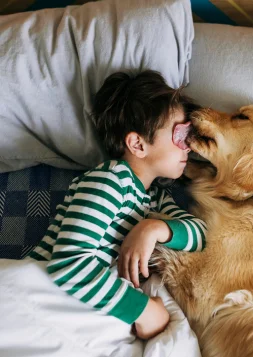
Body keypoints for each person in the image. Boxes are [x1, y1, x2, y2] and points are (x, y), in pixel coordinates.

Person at [28, 70, 207, 340]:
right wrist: (145, 311)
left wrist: (153, 229)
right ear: (137, 144)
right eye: (181, 134)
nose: (189, 146)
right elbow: (70, 264)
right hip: (45, 298)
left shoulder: (154, 200)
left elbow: (202, 234)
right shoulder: (111, 179)